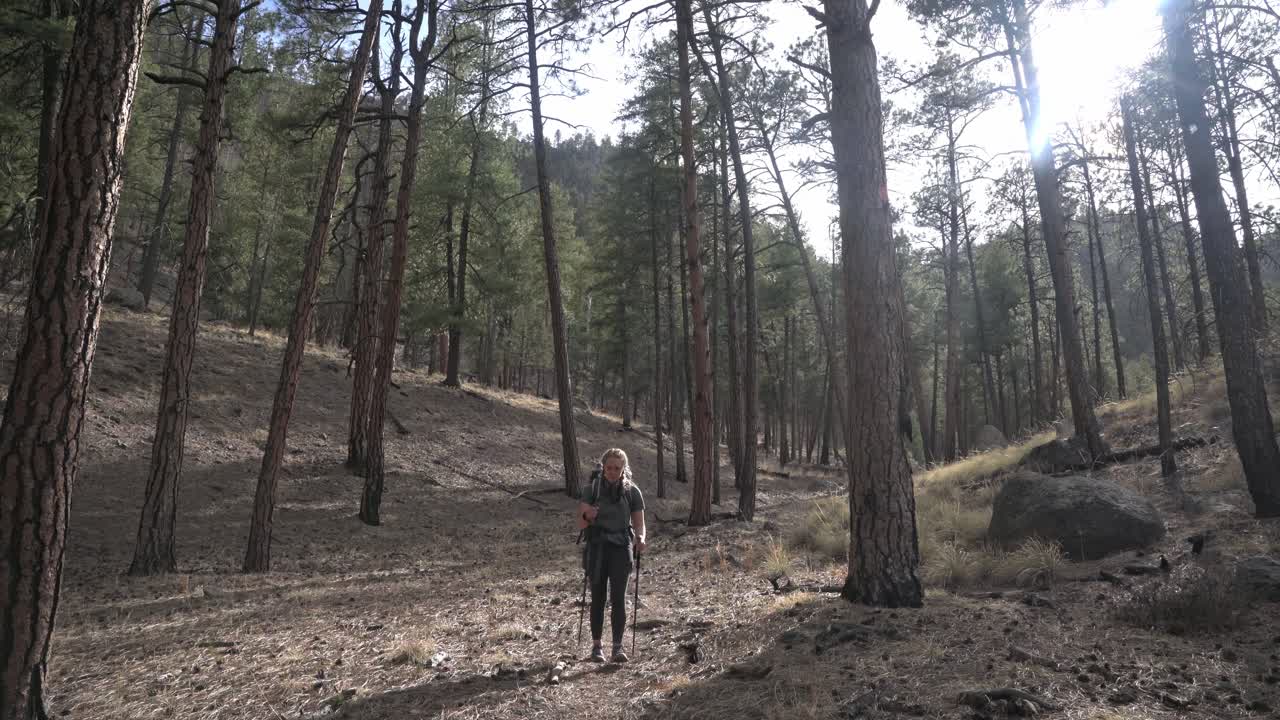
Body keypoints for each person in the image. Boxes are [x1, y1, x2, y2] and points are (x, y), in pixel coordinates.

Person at [577, 448, 646, 663]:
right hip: (597, 547)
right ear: (603, 467)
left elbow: (639, 524)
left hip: (621, 547)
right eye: (609, 468)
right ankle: (597, 647)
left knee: (618, 598)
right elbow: (581, 524)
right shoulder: (592, 489)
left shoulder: (632, 492)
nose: (613, 472)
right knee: (598, 597)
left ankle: (617, 646)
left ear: (623, 469)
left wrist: (640, 538)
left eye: (617, 468)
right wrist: (588, 516)